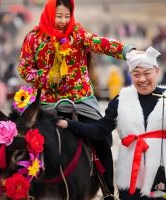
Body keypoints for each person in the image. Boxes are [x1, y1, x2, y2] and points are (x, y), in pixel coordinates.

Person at [17, 0, 138, 198]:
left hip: (80, 100)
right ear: (49, 14)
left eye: (67, 16)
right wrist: (45, 77)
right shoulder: (33, 38)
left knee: (101, 139)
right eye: (59, 16)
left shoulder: (77, 33)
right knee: (19, 140)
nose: (63, 21)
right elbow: (24, 68)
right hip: (45, 102)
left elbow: (100, 44)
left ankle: (107, 192)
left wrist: (127, 51)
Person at [57, 47, 166, 200]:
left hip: (165, 180)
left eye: (147, 73)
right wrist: (69, 124)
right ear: (131, 75)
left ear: (157, 71)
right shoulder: (121, 100)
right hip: (131, 181)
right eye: (136, 75)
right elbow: (100, 130)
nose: (142, 79)